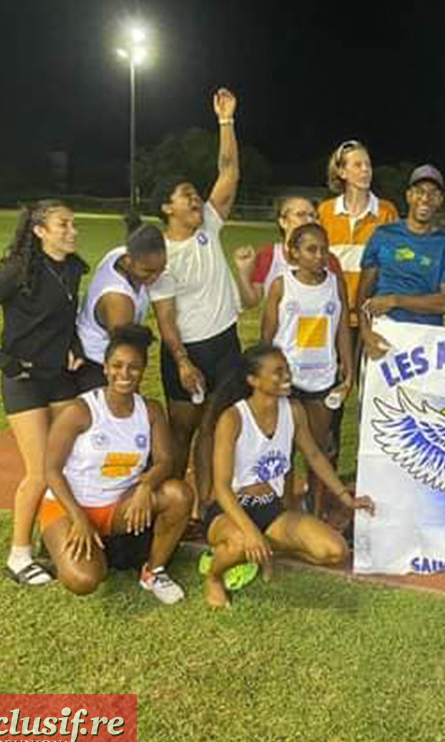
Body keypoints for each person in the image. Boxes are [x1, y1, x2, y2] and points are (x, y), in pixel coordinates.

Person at [0, 199, 88, 587]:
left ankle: (57, 536)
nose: (72, 231)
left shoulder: (73, 268)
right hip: (25, 381)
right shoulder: (19, 271)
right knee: (39, 472)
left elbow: (67, 319)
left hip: (60, 379)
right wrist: (5, 363)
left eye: (73, 224)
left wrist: (75, 348)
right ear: (39, 231)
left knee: (71, 460)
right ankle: (19, 555)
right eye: (63, 225)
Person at [203, 344, 375, 608]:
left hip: (270, 509)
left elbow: (315, 456)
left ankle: (263, 551)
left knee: (334, 550)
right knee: (238, 543)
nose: (287, 376)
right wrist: (250, 531)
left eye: (286, 369)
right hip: (230, 511)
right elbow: (222, 488)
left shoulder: (293, 410)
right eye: (277, 371)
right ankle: (214, 576)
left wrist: (345, 497)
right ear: (253, 380)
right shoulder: (233, 418)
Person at [39, 325, 193, 602]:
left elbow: (166, 461)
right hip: (68, 507)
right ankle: (58, 546)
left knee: (179, 495)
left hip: (118, 508)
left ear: (143, 371)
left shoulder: (151, 410)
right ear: (106, 368)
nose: (125, 374)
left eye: (133, 367)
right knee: (84, 580)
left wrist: (146, 486)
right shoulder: (80, 410)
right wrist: (78, 519)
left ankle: (153, 571)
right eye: (117, 366)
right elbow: (50, 470)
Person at [148, 88, 245, 514]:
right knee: (182, 431)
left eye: (194, 193)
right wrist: (183, 361)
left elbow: (229, 174)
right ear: (166, 207)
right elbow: (164, 316)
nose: (195, 199)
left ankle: (207, 506)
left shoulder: (208, 224)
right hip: (187, 352)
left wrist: (226, 121)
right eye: (185, 194)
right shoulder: (160, 255)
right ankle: (174, 504)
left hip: (224, 343)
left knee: (216, 426)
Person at [260, 223, 352, 517]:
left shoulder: (335, 284)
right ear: (293, 253)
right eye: (311, 249)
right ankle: (283, 507)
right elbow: (267, 335)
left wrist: (348, 371)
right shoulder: (281, 285)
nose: (319, 255)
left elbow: (342, 330)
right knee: (283, 448)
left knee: (317, 448)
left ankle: (316, 507)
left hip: (322, 378)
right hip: (286, 381)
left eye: (324, 249)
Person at [358, 165, 445, 358]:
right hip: (383, 331)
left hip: (425, 338)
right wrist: (366, 333)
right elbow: (363, 293)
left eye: (433, 193)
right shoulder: (384, 235)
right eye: (419, 192)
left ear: (440, 200)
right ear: (409, 196)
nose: (425, 198)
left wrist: (396, 300)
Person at [74, 217, 167, 392]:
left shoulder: (118, 254)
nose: (155, 278)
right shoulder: (118, 299)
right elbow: (125, 353)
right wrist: (134, 398)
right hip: (98, 369)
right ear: (128, 261)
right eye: (148, 271)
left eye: (161, 269)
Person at [318, 140, 400, 331]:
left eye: (368, 165)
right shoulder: (325, 211)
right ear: (342, 172)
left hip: (371, 317)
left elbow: (395, 263)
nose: (366, 170)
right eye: (358, 165)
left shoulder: (387, 212)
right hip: (332, 314)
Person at [235, 196, 344, 312]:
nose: (309, 220)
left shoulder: (328, 259)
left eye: (313, 216)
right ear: (283, 222)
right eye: (301, 215)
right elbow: (251, 302)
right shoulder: (268, 255)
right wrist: (243, 273)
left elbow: (340, 304)